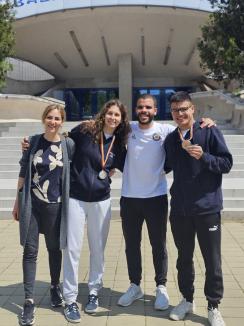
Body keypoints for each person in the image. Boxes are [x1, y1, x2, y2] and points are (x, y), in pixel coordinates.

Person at [117, 93, 215, 311]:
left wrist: (206, 121)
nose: (144, 110)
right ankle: (135, 285)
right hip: (129, 198)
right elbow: (104, 125)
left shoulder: (165, 131)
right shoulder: (127, 129)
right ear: (136, 110)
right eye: (140, 107)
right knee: (131, 245)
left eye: (148, 107)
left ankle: (161, 286)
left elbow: (189, 127)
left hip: (156, 198)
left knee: (158, 245)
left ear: (155, 110)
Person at [164, 91, 232, 326]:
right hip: (180, 210)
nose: (180, 113)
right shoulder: (170, 139)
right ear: (171, 113)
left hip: (207, 208)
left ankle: (213, 305)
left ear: (193, 109)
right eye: (175, 110)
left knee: (212, 260)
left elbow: (226, 163)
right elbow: (162, 166)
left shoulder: (209, 130)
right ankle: (186, 299)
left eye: (184, 109)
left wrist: (204, 157)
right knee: (183, 259)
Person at [62, 99, 130, 322]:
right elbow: (60, 142)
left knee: (98, 248)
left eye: (117, 115)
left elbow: (127, 164)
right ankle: (70, 298)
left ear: (122, 119)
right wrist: (32, 144)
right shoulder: (85, 130)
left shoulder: (120, 145)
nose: (112, 117)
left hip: (101, 200)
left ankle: (93, 292)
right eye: (110, 113)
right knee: (72, 248)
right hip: (76, 198)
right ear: (104, 114)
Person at [13, 104, 75, 326]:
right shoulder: (33, 141)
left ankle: (54, 286)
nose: (53, 121)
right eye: (49, 117)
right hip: (32, 204)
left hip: (56, 207)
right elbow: (23, 171)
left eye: (57, 118)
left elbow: (77, 170)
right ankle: (29, 300)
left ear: (62, 121)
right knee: (30, 251)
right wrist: (17, 201)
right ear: (44, 119)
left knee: (54, 249)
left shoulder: (68, 144)